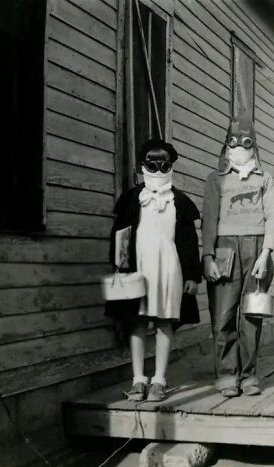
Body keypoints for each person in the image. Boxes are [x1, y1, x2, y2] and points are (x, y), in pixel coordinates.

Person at [108, 139, 201, 402]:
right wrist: (119, 267)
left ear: (171, 166)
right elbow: (120, 235)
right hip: (137, 267)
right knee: (135, 322)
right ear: (142, 166)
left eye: (164, 164)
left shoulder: (179, 201)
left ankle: (159, 380)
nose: (158, 169)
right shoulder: (132, 199)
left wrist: (193, 275)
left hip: (168, 268)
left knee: (164, 322)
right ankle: (138, 379)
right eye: (152, 164)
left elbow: (188, 241)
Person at [201, 117, 274, 397]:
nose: (238, 147)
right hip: (224, 248)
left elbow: (272, 218)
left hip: (256, 250)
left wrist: (265, 254)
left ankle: (248, 375)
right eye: (233, 141)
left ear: (254, 146)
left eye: (245, 141)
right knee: (223, 315)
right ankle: (226, 375)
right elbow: (209, 220)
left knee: (251, 314)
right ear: (226, 145)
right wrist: (208, 255)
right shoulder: (215, 180)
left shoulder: (265, 178)